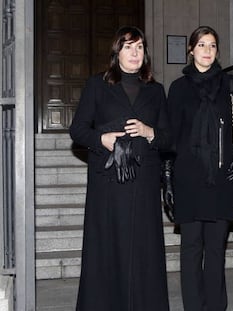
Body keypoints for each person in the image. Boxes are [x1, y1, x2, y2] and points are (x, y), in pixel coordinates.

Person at [69, 26, 170, 311]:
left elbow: (168, 137)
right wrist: (101, 139)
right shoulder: (97, 85)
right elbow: (77, 130)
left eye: (139, 47)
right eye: (128, 47)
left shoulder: (156, 90)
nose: (135, 53)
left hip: (145, 182)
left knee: (144, 251)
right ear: (117, 52)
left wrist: (150, 132)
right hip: (108, 183)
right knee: (107, 249)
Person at [165, 25, 233, 311]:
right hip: (188, 177)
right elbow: (169, 137)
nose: (207, 51)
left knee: (215, 251)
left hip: (221, 178)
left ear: (218, 50)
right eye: (201, 45)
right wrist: (168, 180)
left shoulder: (231, 85)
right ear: (191, 50)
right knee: (190, 250)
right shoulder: (178, 88)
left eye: (212, 46)